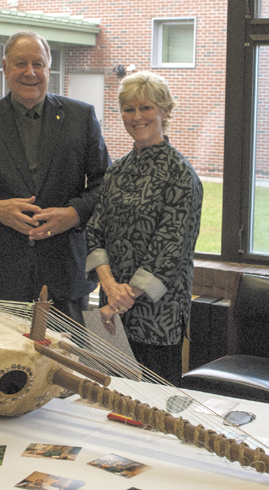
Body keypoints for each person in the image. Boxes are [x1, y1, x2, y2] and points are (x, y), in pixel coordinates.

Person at [0, 31, 110, 323]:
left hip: (66, 278)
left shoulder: (81, 117)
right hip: (2, 279)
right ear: (5, 67)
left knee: (67, 366)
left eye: (38, 63)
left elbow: (105, 185)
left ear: (49, 68)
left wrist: (73, 214)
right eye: (21, 63)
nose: (30, 72)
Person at [86, 71, 203, 386]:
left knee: (155, 415)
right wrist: (109, 288)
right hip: (112, 314)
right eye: (129, 109)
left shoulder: (181, 175)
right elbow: (95, 233)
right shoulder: (116, 172)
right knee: (112, 402)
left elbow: (170, 251)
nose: (136, 117)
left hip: (158, 316)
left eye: (146, 108)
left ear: (165, 111)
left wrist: (117, 301)